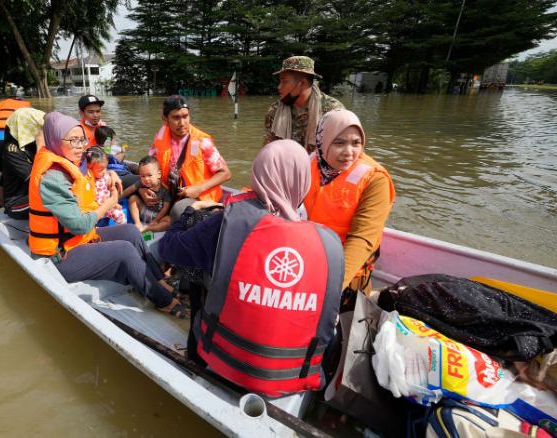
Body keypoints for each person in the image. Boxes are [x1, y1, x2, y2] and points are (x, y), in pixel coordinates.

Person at [159, 139, 344, 397]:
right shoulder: (327, 243)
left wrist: (189, 213)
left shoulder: (227, 222)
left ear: (259, 174)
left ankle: (195, 359)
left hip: (222, 360)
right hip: (291, 378)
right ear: (304, 180)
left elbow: (169, 248)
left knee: (198, 271)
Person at [28, 112, 188, 319]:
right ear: (55, 140)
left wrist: (111, 173)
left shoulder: (71, 158)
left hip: (78, 240)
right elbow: (80, 225)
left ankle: (160, 282)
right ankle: (164, 301)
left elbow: (95, 163)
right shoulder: (53, 177)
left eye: (81, 139)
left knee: (130, 231)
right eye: (72, 140)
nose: (79, 146)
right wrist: (111, 202)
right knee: (123, 250)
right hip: (58, 255)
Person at [304, 109, 395, 295]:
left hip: (345, 278)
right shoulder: (307, 163)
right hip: (303, 261)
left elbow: (362, 239)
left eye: (356, 143)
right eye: (339, 143)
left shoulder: (375, 180)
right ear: (324, 141)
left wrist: (330, 288)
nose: (349, 152)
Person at [144, 95, 231, 220]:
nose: (182, 123)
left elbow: (225, 173)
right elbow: (149, 164)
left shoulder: (202, 141)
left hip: (200, 198)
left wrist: (198, 188)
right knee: (135, 193)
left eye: (185, 116)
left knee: (180, 210)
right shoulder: (161, 135)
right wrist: (146, 189)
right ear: (165, 119)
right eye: (176, 118)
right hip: (172, 193)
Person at [264, 56, 344, 153]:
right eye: (280, 81)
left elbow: (342, 149)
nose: (279, 87)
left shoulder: (332, 111)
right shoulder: (275, 111)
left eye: (284, 82)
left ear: (302, 83)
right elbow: (269, 150)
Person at [1, 107, 45, 219]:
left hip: (33, 196)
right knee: (55, 198)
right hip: (16, 204)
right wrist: (41, 147)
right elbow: (39, 181)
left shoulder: (31, 146)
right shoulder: (12, 151)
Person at [84, 147, 127, 226]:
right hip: (96, 210)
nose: (104, 172)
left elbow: (112, 189)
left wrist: (114, 202)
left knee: (120, 215)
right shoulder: (87, 180)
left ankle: (122, 227)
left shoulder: (106, 177)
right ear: (89, 168)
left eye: (106, 168)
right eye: (101, 170)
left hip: (108, 205)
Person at [128, 156, 172, 232]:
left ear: (159, 174)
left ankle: (146, 229)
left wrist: (156, 220)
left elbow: (165, 208)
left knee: (168, 221)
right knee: (133, 198)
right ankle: (138, 224)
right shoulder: (142, 186)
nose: (146, 179)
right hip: (145, 212)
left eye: (149, 175)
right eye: (143, 176)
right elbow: (129, 191)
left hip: (158, 216)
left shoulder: (165, 191)